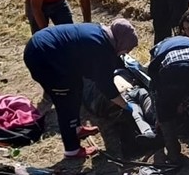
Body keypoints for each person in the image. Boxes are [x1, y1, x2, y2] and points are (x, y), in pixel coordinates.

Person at [23, 20, 139, 160]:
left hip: (50, 50)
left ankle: (76, 129)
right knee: (66, 101)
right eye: (127, 48)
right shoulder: (101, 48)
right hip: (42, 57)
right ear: (121, 42)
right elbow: (106, 85)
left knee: (76, 86)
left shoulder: (102, 34)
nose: (125, 52)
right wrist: (126, 106)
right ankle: (72, 150)